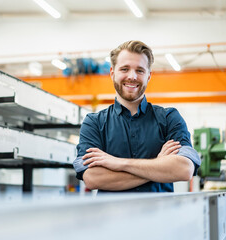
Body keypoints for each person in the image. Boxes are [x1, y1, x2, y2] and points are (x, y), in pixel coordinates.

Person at [73, 40, 201, 192]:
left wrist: (119, 163)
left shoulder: (169, 118)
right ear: (113, 74)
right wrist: (158, 164)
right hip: (111, 216)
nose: (132, 76)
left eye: (140, 70)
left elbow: (184, 169)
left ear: (148, 76)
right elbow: (93, 178)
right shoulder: (94, 123)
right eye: (125, 69)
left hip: (162, 215)